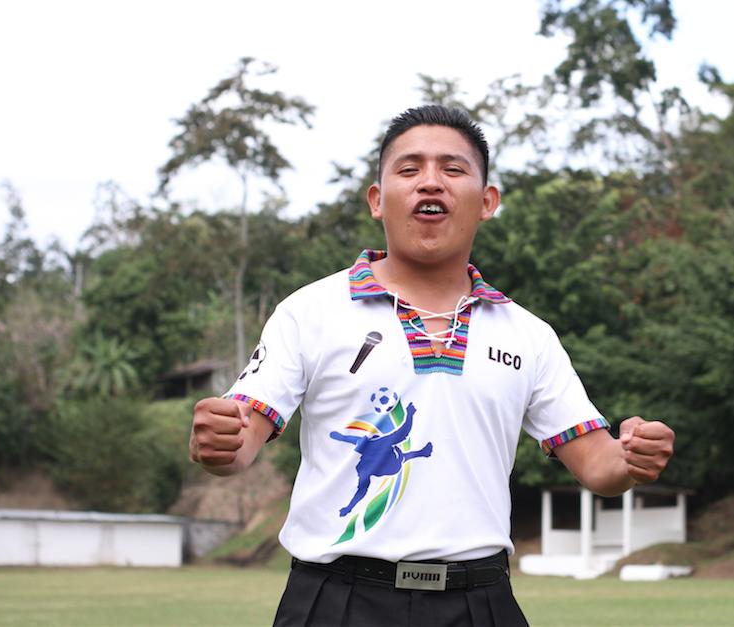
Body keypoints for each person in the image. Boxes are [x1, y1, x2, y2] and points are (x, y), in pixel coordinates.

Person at [189, 105, 675, 626]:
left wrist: (632, 458)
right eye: (408, 169)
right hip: (337, 601)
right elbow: (240, 441)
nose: (430, 183)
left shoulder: (528, 335)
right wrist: (219, 440)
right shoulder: (310, 311)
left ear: (487, 201)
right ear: (378, 200)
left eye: (452, 169)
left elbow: (600, 465)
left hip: (479, 602)